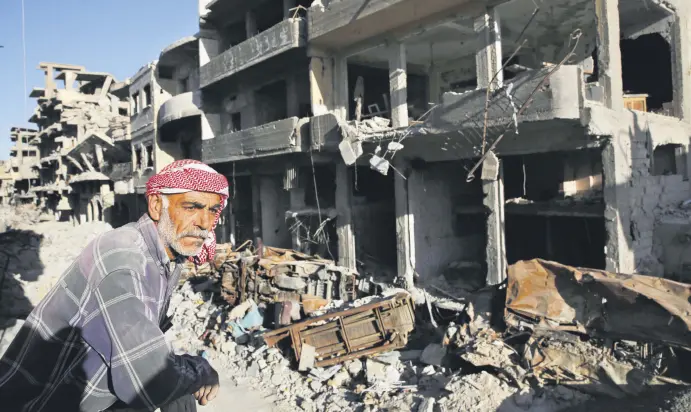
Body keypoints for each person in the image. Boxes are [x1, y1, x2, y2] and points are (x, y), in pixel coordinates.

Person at [0, 160, 229, 412]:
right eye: (192, 207)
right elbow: (151, 377)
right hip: (43, 403)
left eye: (212, 210)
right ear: (155, 205)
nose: (205, 223)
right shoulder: (123, 257)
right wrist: (201, 370)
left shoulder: (161, 257)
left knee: (179, 392)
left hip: (91, 395)